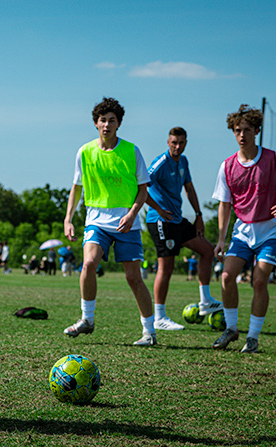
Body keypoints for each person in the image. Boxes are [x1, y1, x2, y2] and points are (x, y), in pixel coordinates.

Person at [62, 97, 159, 346]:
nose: (107, 125)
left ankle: (149, 332)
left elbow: (143, 189)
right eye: (103, 120)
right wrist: (68, 218)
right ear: (96, 123)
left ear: (119, 124)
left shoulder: (131, 151)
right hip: (96, 219)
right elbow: (76, 188)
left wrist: (132, 213)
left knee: (133, 278)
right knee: (88, 264)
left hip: (126, 222)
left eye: (112, 121)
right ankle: (87, 320)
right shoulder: (84, 152)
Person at [211, 104, 276, 354]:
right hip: (242, 232)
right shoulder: (226, 166)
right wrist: (221, 240)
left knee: (259, 281)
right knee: (227, 276)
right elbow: (225, 205)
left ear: (257, 131)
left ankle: (253, 337)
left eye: (247, 129)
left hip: (271, 231)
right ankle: (232, 329)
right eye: (237, 130)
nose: (242, 135)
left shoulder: (272, 158)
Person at [144, 126, 224, 332]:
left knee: (207, 250)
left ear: (186, 143)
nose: (177, 146)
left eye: (181, 143)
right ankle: (159, 317)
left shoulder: (184, 161)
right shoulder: (160, 163)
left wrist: (199, 215)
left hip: (178, 220)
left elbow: (189, 188)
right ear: (167, 142)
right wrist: (159, 210)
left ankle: (205, 300)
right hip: (160, 220)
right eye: (174, 143)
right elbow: (141, 186)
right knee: (166, 267)